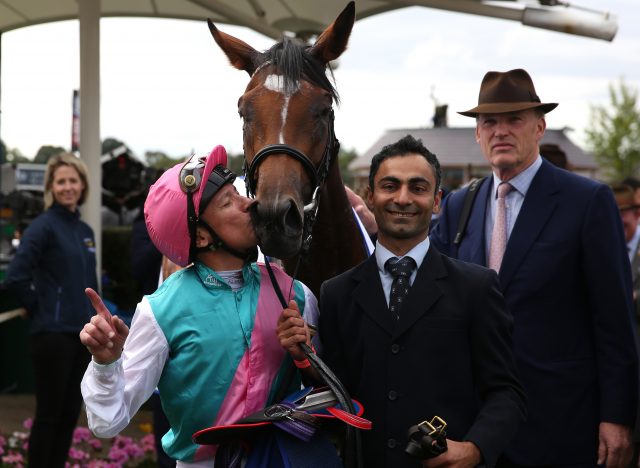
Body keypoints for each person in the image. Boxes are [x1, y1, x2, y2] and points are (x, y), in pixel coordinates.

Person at [430, 68, 639, 467]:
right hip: (477, 429)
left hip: (561, 423)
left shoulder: (587, 201)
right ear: (477, 134)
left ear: (540, 127)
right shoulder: (459, 206)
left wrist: (618, 416)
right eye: (490, 121)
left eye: (515, 120)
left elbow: (614, 320)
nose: (501, 131)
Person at [80, 146, 319, 467]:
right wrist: (106, 364)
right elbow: (106, 422)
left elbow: (328, 395)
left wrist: (307, 359)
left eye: (239, 194)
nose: (250, 203)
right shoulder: (161, 310)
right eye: (228, 202)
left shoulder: (295, 294)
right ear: (203, 236)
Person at [319, 134, 526, 468]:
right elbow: (336, 396)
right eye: (390, 186)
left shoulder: (476, 287)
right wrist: (302, 356)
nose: (403, 198)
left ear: (436, 201)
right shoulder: (336, 293)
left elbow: (506, 393)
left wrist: (474, 449)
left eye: (417, 187)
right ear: (370, 197)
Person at [4, 152, 97, 468]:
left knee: (70, 415)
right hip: (52, 337)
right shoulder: (43, 226)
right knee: (49, 416)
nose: (68, 187)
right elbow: (16, 275)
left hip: (82, 337)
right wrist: (38, 307)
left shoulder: (85, 232)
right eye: (61, 181)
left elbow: (91, 286)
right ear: (51, 187)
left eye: (73, 180)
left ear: (82, 185)